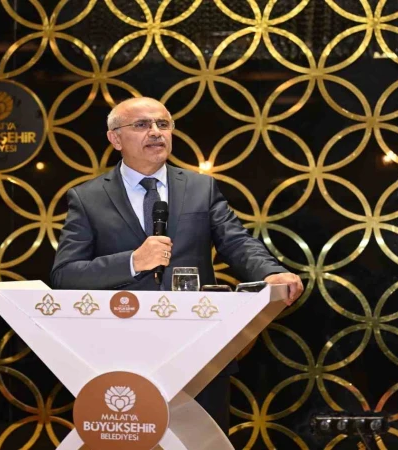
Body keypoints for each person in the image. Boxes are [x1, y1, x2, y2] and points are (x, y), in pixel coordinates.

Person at [50, 97, 303, 434]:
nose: (156, 132)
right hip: (120, 354)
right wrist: (132, 262)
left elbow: (236, 242)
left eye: (163, 124)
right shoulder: (87, 197)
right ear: (115, 139)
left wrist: (270, 272)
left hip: (199, 351)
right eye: (142, 125)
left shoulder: (201, 187)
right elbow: (65, 275)